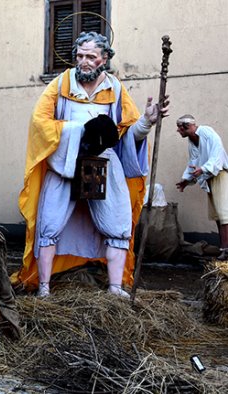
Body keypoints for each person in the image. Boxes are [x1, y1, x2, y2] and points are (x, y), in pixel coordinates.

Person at [14, 31, 169, 298]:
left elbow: (126, 132)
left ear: (104, 58)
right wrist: (80, 131)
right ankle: (44, 288)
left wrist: (146, 122)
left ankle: (115, 287)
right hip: (65, 161)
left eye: (91, 56)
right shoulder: (60, 84)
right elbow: (40, 122)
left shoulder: (116, 88)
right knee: (49, 222)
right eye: (79, 55)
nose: (83, 61)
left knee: (118, 222)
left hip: (103, 163)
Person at [175, 115, 228, 260]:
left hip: (220, 174)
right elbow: (193, 161)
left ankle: (226, 250)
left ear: (187, 126)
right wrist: (187, 180)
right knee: (218, 215)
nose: (178, 130)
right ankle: (224, 248)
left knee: (224, 214)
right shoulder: (191, 141)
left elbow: (217, 153)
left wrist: (203, 169)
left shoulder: (206, 132)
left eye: (180, 127)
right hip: (210, 177)